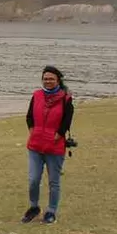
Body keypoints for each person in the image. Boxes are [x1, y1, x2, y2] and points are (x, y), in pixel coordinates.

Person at [21, 65, 74, 224]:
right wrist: (34, 132)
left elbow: (66, 122)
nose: (48, 81)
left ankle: (51, 211)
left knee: (54, 181)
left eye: (51, 78)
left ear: (58, 80)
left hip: (55, 147)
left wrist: (57, 135)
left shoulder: (66, 98)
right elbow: (29, 117)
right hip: (35, 145)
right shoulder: (36, 95)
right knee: (33, 180)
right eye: (45, 79)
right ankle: (34, 207)